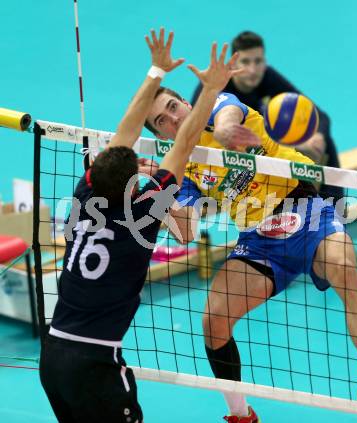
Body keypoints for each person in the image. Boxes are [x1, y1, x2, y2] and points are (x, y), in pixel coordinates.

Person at [144, 86, 357, 421]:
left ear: (187, 102)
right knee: (213, 320)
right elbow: (186, 231)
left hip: (307, 209)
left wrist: (223, 132)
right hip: (259, 239)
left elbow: (228, 115)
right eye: (163, 120)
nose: (174, 118)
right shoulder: (180, 166)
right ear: (159, 133)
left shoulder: (216, 107)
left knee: (343, 268)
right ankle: (240, 414)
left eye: (174, 106)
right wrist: (159, 190)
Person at [39, 28, 243, 422]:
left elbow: (126, 132)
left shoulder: (85, 194)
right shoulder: (144, 215)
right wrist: (212, 87)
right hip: (95, 365)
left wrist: (155, 70)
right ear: (134, 183)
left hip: (51, 355)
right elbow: (183, 144)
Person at [191, 30, 343, 202]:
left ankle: (335, 209)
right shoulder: (216, 88)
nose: (253, 70)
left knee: (322, 142)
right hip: (223, 167)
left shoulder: (267, 77)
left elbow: (319, 115)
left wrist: (317, 137)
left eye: (258, 61)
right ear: (233, 64)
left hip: (263, 150)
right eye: (245, 62)